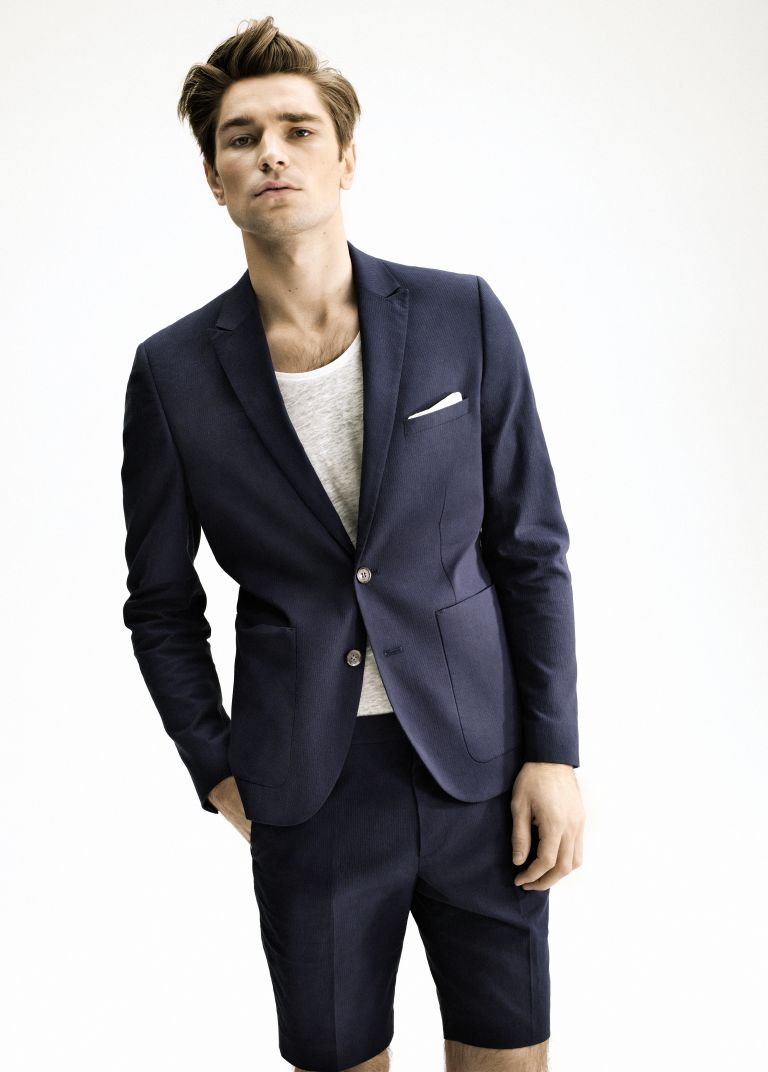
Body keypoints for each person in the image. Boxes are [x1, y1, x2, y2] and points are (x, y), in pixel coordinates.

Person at [120, 15, 585, 1072]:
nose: (271, 154)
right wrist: (216, 767)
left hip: (478, 766)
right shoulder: (173, 373)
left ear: (345, 158)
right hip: (308, 785)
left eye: (297, 129)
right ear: (214, 179)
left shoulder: (463, 315)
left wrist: (553, 751)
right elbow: (160, 602)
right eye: (242, 138)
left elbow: (530, 545)